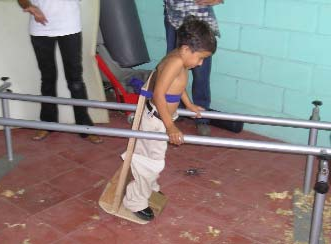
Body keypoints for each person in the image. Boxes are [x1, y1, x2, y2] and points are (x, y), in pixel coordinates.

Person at [123, 16, 217, 221]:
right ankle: (135, 201)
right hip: (157, 120)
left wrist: (189, 104)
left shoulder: (179, 58)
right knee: (149, 162)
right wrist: (170, 126)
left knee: (155, 158)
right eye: (200, 58)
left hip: (161, 118)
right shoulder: (175, 62)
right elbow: (158, 94)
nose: (200, 64)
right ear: (186, 49)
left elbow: (178, 86)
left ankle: (150, 188)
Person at [17, 0, 103, 144]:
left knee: (75, 80)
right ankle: (48, 123)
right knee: (48, 78)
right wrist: (28, 6)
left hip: (69, 27)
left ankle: (85, 127)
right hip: (40, 28)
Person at [164, 0, 223, 136]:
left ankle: (201, 118)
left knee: (201, 75)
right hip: (175, 18)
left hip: (200, 18)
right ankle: (173, 111)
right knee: (173, 71)